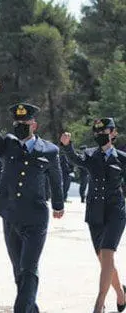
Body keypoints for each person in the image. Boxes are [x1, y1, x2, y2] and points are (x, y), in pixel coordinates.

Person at [0, 81, 64, 313]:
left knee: (29, 268)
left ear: (34, 125)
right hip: (10, 215)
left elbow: (56, 180)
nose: (19, 125)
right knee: (18, 271)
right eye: (17, 122)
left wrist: (58, 204)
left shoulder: (50, 150)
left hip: (36, 217)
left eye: (24, 122)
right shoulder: (7, 145)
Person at [61, 120, 126, 313]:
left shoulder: (122, 158)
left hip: (115, 212)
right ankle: (122, 293)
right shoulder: (90, 155)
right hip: (95, 213)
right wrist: (67, 146)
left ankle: (99, 305)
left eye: (104, 131)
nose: (100, 135)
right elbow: (75, 159)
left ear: (113, 133)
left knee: (107, 254)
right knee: (104, 260)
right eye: (96, 132)